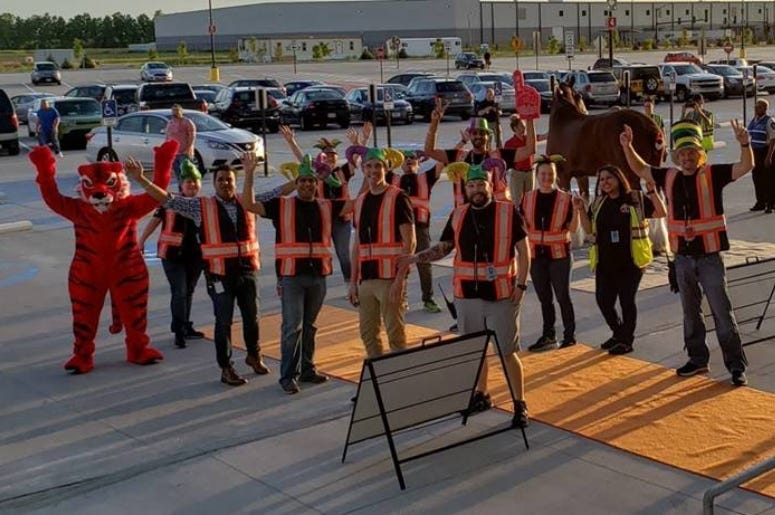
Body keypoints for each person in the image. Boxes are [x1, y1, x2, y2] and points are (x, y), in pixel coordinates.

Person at [127, 152, 295, 386]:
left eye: (229, 179)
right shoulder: (200, 206)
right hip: (219, 275)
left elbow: (276, 193)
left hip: (247, 271)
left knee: (252, 318)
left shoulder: (247, 201)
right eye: (221, 180)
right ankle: (226, 367)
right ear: (214, 184)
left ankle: (253, 355)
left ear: (235, 183)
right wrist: (142, 180)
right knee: (223, 321)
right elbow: (167, 200)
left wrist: (301, 179)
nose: (226, 183)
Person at [619, 119, 754, 386]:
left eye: (692, 152)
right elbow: (639, 168)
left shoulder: (712, 174)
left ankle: (736, 365)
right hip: (682, 259)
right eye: (682, 153)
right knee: (690, 314)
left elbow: (745, 166)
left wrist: (745, 144)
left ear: (700, 154)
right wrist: (627, 146)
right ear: (677, 156)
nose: (687, 157)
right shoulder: (669, 176)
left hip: (710, 258)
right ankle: (697, 359)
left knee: (722, 313)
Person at [398, 164, 531, 428]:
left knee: (507, 351)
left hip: (502, 295)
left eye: (481, 184)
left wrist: (521, 284)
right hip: (467, 295)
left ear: (490, 186)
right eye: (472, 185)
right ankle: (481, 394)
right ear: (465, 189)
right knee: (475, 348)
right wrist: (414, 258)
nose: (477, 190)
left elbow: (524, 251)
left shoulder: (507, 212)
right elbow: (444, 248)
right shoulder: (458, 215)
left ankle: (520, 404)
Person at [242, 155, 341, 394]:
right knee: (291, 328)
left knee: (311, 326)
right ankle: (288, 375)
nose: (307, 184)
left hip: (318, 276)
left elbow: (356, 203)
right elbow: (249, 205)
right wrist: (248, 175)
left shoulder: (326, 205)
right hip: (292, 276)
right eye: (302, 181)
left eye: (311, 180)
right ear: (296, 183)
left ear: (316, 183)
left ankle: (307, 369)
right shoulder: (281, 205)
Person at [578, 165, 666, 355]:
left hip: (631, 261)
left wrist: (652, 192)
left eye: (609, 178)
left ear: (619, 178)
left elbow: (661, 212)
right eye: (602, 179)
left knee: (627, 300)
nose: (605, 182)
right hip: (605, 261)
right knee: (603, 301)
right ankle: (619, 333)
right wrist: (580, 210)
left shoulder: (635, 199)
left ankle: (626, 340)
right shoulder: (598, 203)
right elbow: (588, 230)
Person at [347, 147, 416, 358]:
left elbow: (410, 242)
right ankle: (379, 379)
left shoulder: (398, 197)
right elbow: (357, 244)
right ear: (363, 169)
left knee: (395, 334)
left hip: (389, 279)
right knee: (368, 334)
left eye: (378, 166)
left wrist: (400, 280)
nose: (373, 170)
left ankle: (400, 379)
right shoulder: (360, 201)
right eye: (369, 166)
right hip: (366, 280)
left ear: (386, 169)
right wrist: (353, 281)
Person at [280, 125, 371, 282]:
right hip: (322, 217)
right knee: (317, 251)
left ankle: (350, 281)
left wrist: (362, 140)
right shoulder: (317, 172)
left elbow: (359, 156)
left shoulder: (344, 171)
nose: (330, 158)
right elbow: (302, 159)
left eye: (333, 155)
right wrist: (291, 142)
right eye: (326, 155)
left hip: (342, 218)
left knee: (343, 253)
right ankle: (315, 279)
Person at [138, 158, 205, 349]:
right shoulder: (170, 201)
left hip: (195, 255)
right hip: (172, 255)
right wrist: (141, 240)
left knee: (189, 291)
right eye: (188, 182)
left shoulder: (203, 203)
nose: (192, 185)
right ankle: (179, 330)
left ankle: (185, 325)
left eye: (195, 181)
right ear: (181, 184)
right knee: (180, 291)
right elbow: (155, 221)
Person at [424, 99, 536, 207]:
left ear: (488, 136)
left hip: (494, 216)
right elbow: (430, 151)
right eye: (475, 133)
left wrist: (529, 118)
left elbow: (529, 150)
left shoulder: (500, 155)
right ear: (470, 136)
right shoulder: (459, 157)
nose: (478, 136)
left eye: (482, 133)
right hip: (467, 218)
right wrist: (435, 122)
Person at [521, 156, 581, 351]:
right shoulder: (527, 198)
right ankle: (548, 335)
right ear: (537, 176)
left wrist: (578, 210)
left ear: (555, 176)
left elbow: (573, 228)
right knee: (544, 298)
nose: (547, 178)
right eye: (543, 174)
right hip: (536, 256)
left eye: (550, 174)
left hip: (559, 255)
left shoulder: (566, 199)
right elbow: (522, 225)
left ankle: (569, 335)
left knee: (563, 295)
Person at [386, 150, 443, 313]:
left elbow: (443, 161)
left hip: (420, 228)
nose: (409, 160)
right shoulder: (393, 179)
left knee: (424, 263)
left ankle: (428, 299)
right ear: (400, 164)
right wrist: (359, 144)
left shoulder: (426, 178)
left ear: (419, 163)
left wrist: (461, 142)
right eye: (405, 158)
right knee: (401, 264)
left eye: (412, 158)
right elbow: (373, 166)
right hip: (399, 229)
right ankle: (401, 298)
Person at [747, 99, 775, 213]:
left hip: (765, 151)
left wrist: (769, 157)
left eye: (758, 107)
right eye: (755, 107)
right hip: (755, 152)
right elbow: (749, 134)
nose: (756, 109)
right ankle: (760, 202)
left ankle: (770, 203)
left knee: (767, 179)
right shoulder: (754, 120)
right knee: (756, 178)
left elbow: (773, 139)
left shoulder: (769, 121)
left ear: (764, 108)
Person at [503, 114, 536, 204]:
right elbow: (506, 161)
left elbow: (541, 137)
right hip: (517, 174)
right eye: (521, 125)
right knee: (517, 201)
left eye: (524, 124)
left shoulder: (528, 139)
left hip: (529, 173)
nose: (524, 127)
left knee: (529, 201)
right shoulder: (509, 143)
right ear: (515, 128)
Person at [165, 104, 196, 183]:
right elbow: (167, 137)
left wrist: (188, 148)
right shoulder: (170, 123)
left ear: (181, 111)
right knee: (178, 174)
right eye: (173, 111)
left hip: (184, 153)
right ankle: (181, 190)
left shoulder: (187, 122)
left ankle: (189, 191)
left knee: (187, 174)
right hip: (174, 154)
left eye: (177, 110)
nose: (175, 113)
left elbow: (192, 136)